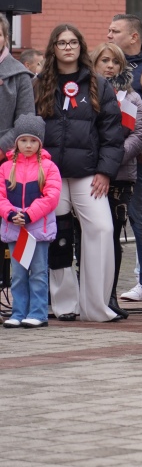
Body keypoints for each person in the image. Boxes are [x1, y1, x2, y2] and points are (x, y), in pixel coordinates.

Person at [36, 24, 124, 323]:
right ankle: (65, 305)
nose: (68, 47)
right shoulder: (40, 84)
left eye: (73, 42)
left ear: (81, 46)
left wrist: (105, 171)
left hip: (89, 174)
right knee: (58, 236)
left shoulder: (99, 84)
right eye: (61, 43)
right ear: (53, 49)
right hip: (50, 176)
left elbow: (112, 136)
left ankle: (96, 305)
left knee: (101, 229)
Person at [107, 14, 142, 310]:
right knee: (108, 227)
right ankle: (103, 292)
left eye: (115, 31)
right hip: (104, 163)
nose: (109, 35)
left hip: (141, 159)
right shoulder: (102, 64)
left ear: (133, 37)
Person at [91, 43, 142, 316]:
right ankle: (88, 295)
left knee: (113, 236)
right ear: (94, 64)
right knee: (86, 238)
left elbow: (140, 134)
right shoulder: (84, 94)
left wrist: (112, 160)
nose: (110, 66)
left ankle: (110, 296)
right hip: (88, 175)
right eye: (104, 60)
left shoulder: (132, 97)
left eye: (115, 61)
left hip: (121, 176)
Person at [0, 115, 62, 328]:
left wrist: (29, 215)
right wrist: (10, 214)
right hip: (14, 229)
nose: (28, 145)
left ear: (40, 142)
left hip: (37, 230)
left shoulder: (49, 167)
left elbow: (51, 196)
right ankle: (18, 312)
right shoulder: (6, 168)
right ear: (16, 141)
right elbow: (1, 196)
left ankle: (38, 312)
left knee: (38, 272)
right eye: (24, 140)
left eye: (33, 141)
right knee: (17, 274)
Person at [0, 14, 36, 149]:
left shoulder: (20, 75)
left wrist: (2, 149)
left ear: (6, 39)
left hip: (5, 159)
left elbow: (25, 121)